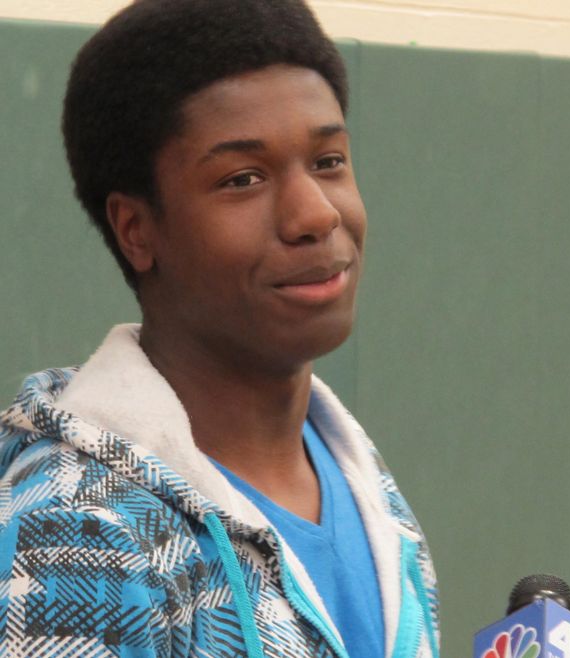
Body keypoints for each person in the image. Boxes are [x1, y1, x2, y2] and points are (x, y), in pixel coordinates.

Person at [0, 1, 439, 656]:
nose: (315, 215)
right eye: (243, 179)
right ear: (137, 230)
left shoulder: (362, 485)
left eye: (329, 162)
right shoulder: (79, 530)